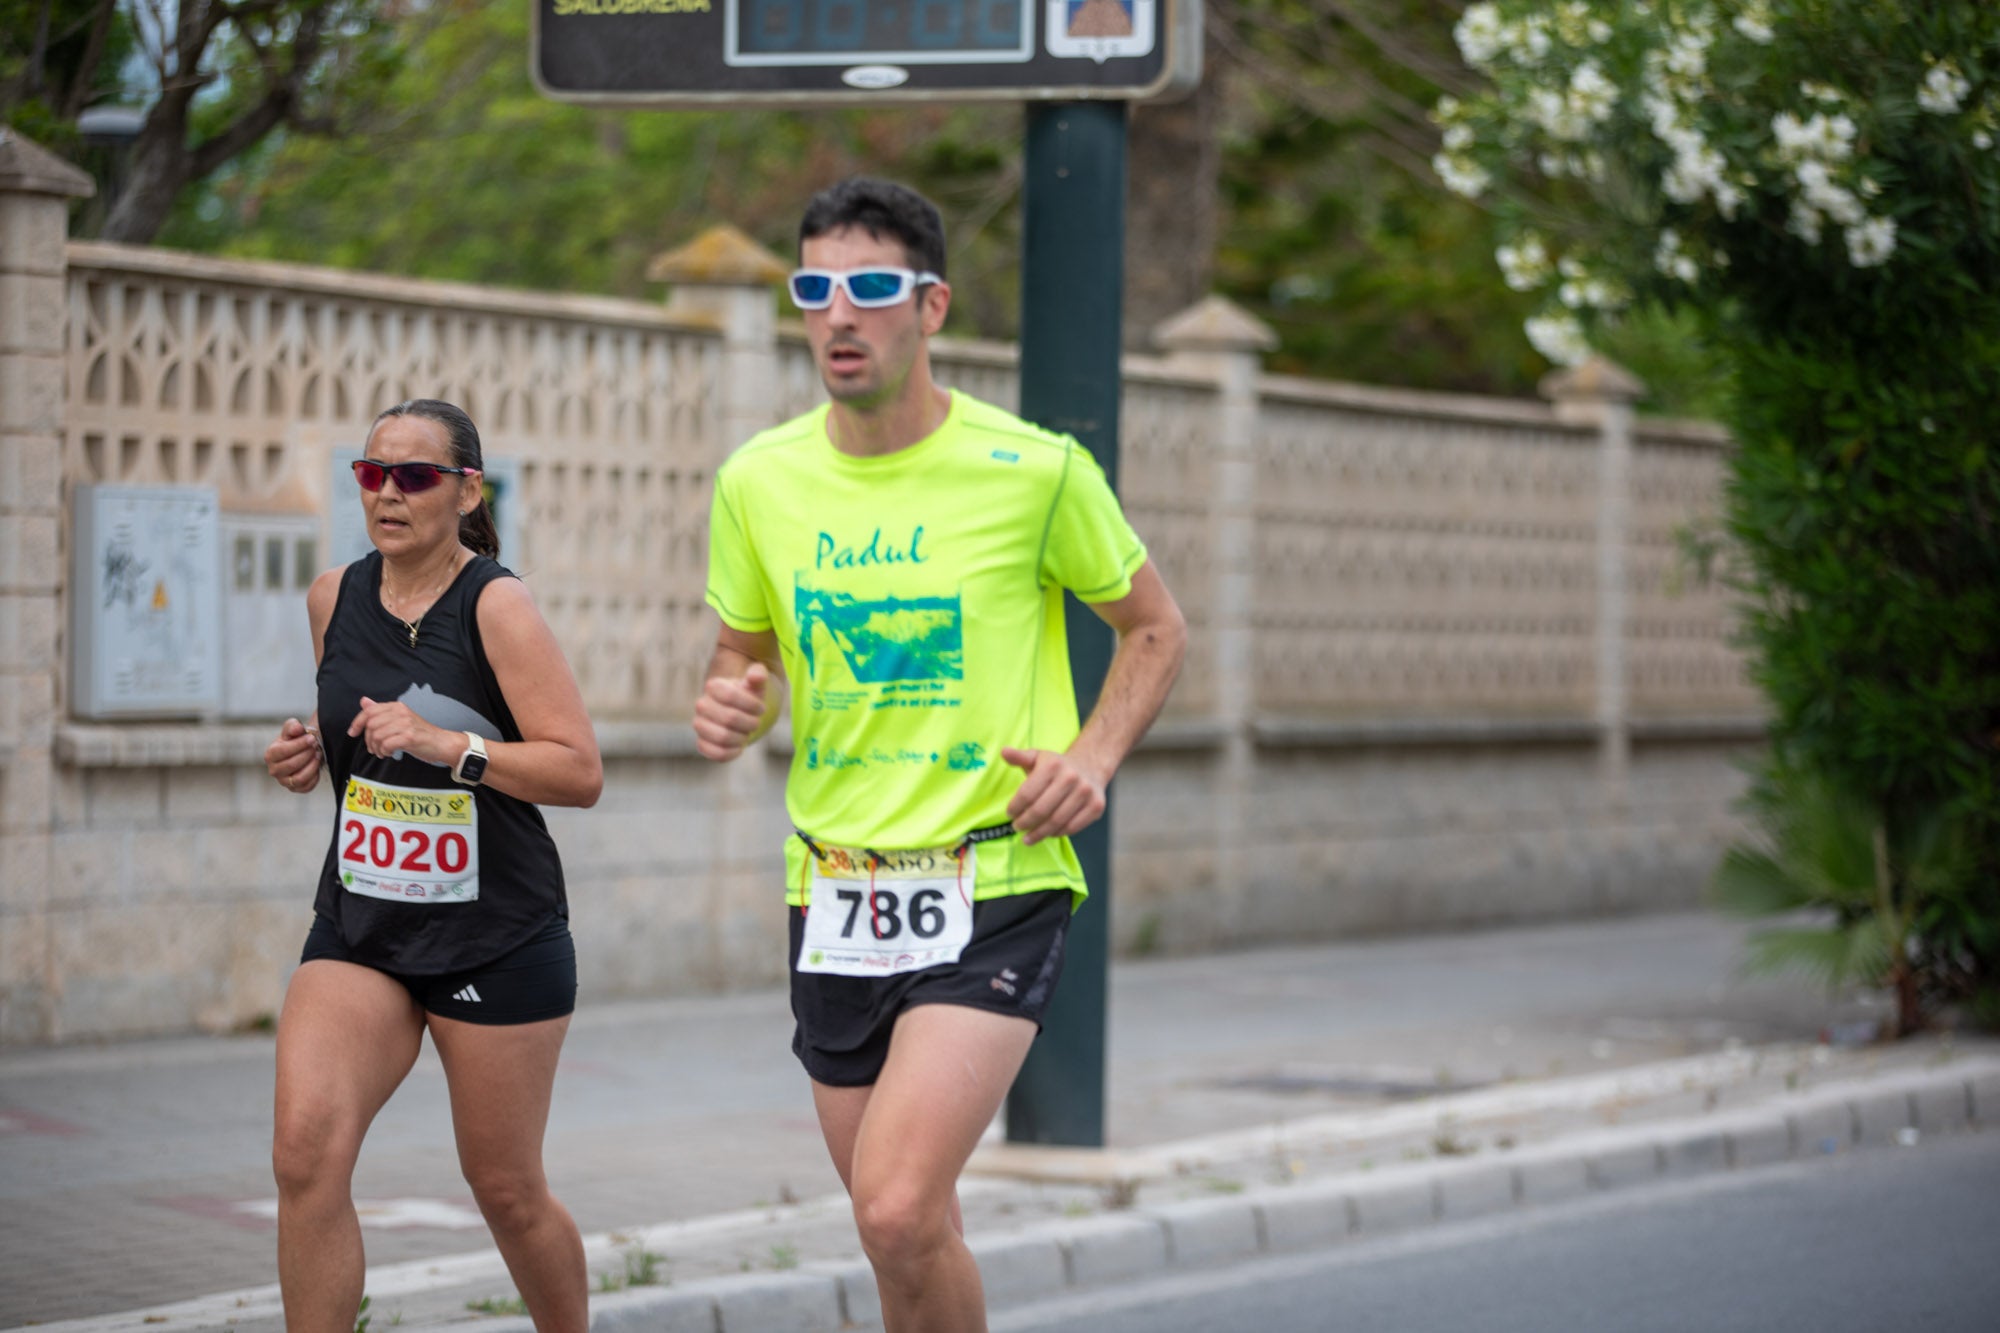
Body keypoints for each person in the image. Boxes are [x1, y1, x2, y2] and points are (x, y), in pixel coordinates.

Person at [693, 178, 1187, 1332]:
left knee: (896, 1207)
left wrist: (1093, 758)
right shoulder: (758, 481)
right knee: (910, 1233)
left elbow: (1156, 629)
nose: (838, 315)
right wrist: (729, 708)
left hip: (994, 880)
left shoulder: (1035, 471)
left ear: (932, 307)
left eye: (870, 288)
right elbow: (738, 659)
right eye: (813, 289)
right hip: (836, 889)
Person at [262, 399, 602, 1333]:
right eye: (372, 474)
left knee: (504, 1187)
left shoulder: (498, 604)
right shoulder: (332, 594)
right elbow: (357, 745)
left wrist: (453, 746)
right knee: (303, 1153)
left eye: (414, 476)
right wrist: (308, 758)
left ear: (465, 490)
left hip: (495, 936)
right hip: (363, 923)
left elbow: (579, 771)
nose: (389, 493)